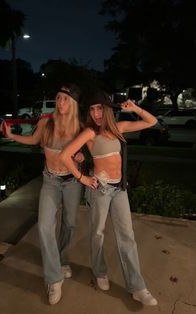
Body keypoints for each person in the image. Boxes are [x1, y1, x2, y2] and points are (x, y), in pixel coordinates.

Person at [59, 90, 158, 306]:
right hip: (100, 190)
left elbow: (152, 121)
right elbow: (64, 155)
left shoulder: (119, 128)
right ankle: (99, 271)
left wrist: (135, 109)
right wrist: (82, 178)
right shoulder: (90, 133)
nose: (95, 113)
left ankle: (137, 287)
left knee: (127, 237)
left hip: (119, 190)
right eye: (92, 109)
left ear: (107, 110)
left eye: (99, 109)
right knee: (97, 233)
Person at [0, 83, 83, 305]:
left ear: (73, 103)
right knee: (45, 225)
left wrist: (81, 156)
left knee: (70, 222)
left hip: (72, 182)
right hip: (50, 181)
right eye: (58, 98)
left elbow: (86, 150)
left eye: (65, 99)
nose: (60, 102)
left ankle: (62, 259)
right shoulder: (47, 122)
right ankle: (54, 279)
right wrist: (11, 136)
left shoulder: (79, 127)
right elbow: (33, 140)